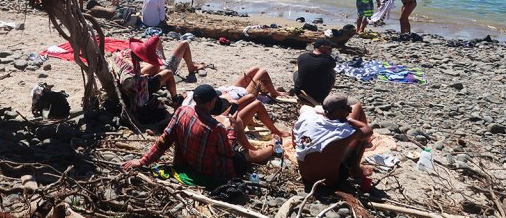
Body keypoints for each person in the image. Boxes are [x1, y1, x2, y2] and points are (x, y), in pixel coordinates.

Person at [122, 84, 266, 184]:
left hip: (186, 162)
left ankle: (268, 148)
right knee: (245, 156)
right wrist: (233, 129)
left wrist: (142, 161)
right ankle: (272, 147)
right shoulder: (216, 127)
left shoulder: (182, 111)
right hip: (210, 171)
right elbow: (228, 153)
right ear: (211, 103)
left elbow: (163, 141)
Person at [293, 94, 373, 188]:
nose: (349, 110)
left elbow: (295, 133)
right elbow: (368, 131)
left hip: (306, 176)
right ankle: (355, 170)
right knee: (361, 139)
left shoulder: (306, 117)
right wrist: (350, 120)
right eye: (347, 108)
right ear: (339, 111)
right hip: (329, 182)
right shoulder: (344, 131)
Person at [293, 39, 337, 104]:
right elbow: (331, 68)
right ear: (322, 47)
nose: (330, 51)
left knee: (297, 67)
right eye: (329, 49)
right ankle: (326, 95)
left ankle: (298, 85)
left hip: (299, 92)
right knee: (332, 72)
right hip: (319, 97)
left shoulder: (302, 56)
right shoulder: (329, 60)